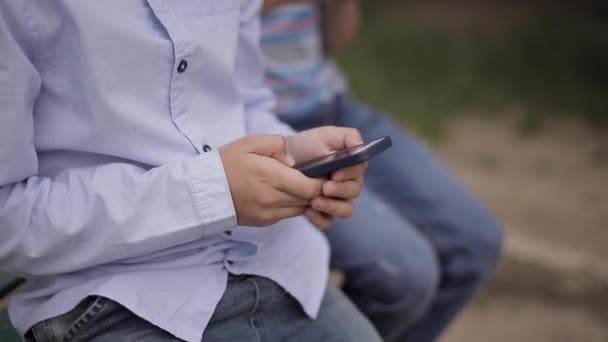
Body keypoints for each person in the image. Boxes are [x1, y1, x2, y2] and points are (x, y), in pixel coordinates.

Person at [0, 1, 381, 341]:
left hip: (275, 264)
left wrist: (293, 153)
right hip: (116, 300)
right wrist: (211, 193)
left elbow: (243, 102)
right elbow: (7, 221)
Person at [260, 1, 504, 341]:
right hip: (257, 129)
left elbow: (333, 41)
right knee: (404, 275)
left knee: (475, 241)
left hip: (332, 105)